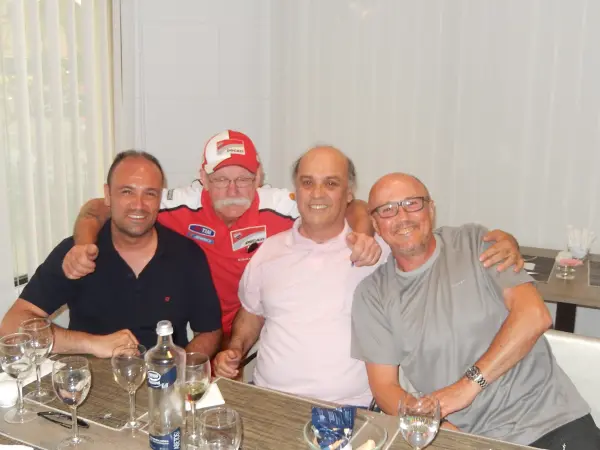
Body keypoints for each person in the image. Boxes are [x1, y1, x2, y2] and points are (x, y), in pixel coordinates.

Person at [213, 148, 523, 407]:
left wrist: (503, 241)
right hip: (269, 401)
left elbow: (423, 240)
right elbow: (252, 313)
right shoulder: (268, 252)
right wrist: (236, 348)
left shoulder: (381, 251)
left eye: (331, 183)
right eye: (308, 183)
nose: (317, 193)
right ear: (296, 190)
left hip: (351, 410)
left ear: (348, 194)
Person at [351, 173, 600, 448]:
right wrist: (435, 426)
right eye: (387, 209)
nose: (402, 216)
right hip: (465, 436)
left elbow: (534, 316)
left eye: (412, 203)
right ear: (376, 224)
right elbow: (385, 388)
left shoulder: (475, 243)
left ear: (431, 209)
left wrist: (466, 388)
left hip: (548, 420)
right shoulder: (372, 294)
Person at [61, 131, 384, 343]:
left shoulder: (281, 204)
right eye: (220, 179)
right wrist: (83, 246)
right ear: (203, 178)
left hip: (249, 324)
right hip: (199, 328)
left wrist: (362, 237)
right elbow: (99, 207)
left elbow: (353, 205)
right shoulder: (178, 201)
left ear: (258, 177)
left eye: (243, 179)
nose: (232, 190)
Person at [0, 151, 222, 358]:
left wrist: (182, 371)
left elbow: (209, 332)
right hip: (90, 382)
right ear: (108, 195)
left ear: (160, 198)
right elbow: (11, 324)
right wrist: (91, 344)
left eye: (150, 193)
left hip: (166, 380)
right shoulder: (78, 254)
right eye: (127, 192)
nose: (139, 205)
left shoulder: (187, 255)